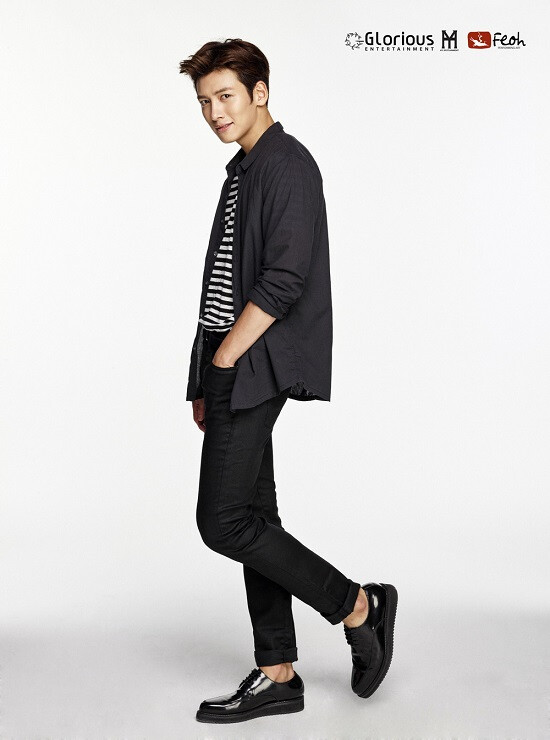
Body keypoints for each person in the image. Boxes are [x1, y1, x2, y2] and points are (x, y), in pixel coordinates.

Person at [179, 38, 398, 724]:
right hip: (228, 363)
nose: (215, 112)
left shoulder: (288, 165)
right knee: (254, 518)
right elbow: (219, 286)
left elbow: (283, 279)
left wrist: (224, 362)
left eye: (226, 96)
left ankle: (358, 605)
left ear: (260, 92)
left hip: (252, 363)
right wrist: (200, 374)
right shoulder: (243, 169)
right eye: (204, 101)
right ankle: (277, 672)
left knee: (222, 522)